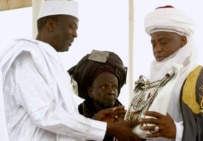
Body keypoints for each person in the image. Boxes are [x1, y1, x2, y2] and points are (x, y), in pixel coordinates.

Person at [0, 0, 140, 141]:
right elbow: (46, 115)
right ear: (50, 25)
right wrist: (105, 128)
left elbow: (61, 121)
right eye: (72, 27)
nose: (75, 34)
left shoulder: (52, 63)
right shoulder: (27, 57)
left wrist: (95, 121)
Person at [124, 5, 203, 141]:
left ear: (183, 41)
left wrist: (178, 131)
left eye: (163, 42)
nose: (157, 49)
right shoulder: (149, 85)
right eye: (153, 44)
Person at [68, 49, 128, 141]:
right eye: (104, 87)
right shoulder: (75, 117)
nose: (111, 91)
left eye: (114, 87)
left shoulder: (126, 117)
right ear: (90, 91)